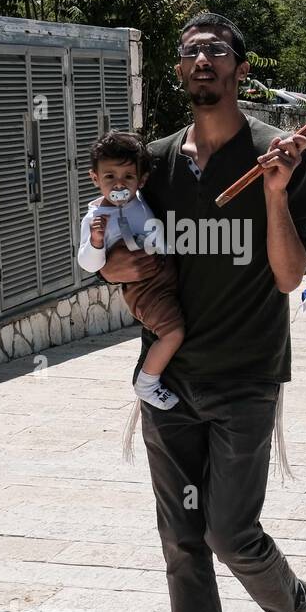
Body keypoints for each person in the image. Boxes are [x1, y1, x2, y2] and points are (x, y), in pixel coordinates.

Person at [120, 12, 306, 612]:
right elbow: (121, 256)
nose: (201, 57)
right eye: (189, 50)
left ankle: (293, 605)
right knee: (182, 542)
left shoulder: (280, 153)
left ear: (240, 68)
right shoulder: (160, 164)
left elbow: (289, 275)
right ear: (179, 70)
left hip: (246, 378)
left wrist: (274, 193)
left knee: (228, 530)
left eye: (216, 49)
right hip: (169, 382)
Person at [76, 131, 179, 410]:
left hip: (164, 273)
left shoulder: (140, 201)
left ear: (141, 180)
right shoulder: (95, 218)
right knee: (173, 332)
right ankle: (147, 382)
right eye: (110, 177)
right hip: (142, 288)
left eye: (127, 178)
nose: (119, 184)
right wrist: (96, 244)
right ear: (95, 179)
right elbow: (88, 264)